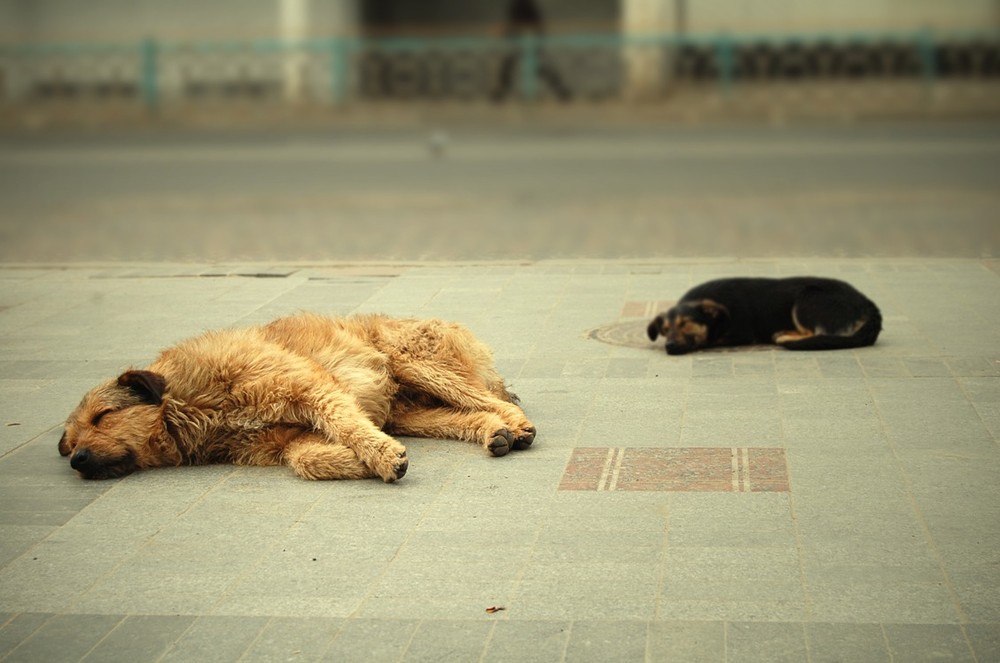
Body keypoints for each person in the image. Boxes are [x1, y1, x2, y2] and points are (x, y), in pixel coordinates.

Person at [492, 0, 571, 102]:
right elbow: (523, 25)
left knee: (534, 67)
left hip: (529, 42)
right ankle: (561, 91)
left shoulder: (523, 5)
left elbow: (530, 25)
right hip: (523, 42)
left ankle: (561, 91)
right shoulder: (519, 5)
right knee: (512, 66)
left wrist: (509, 30)